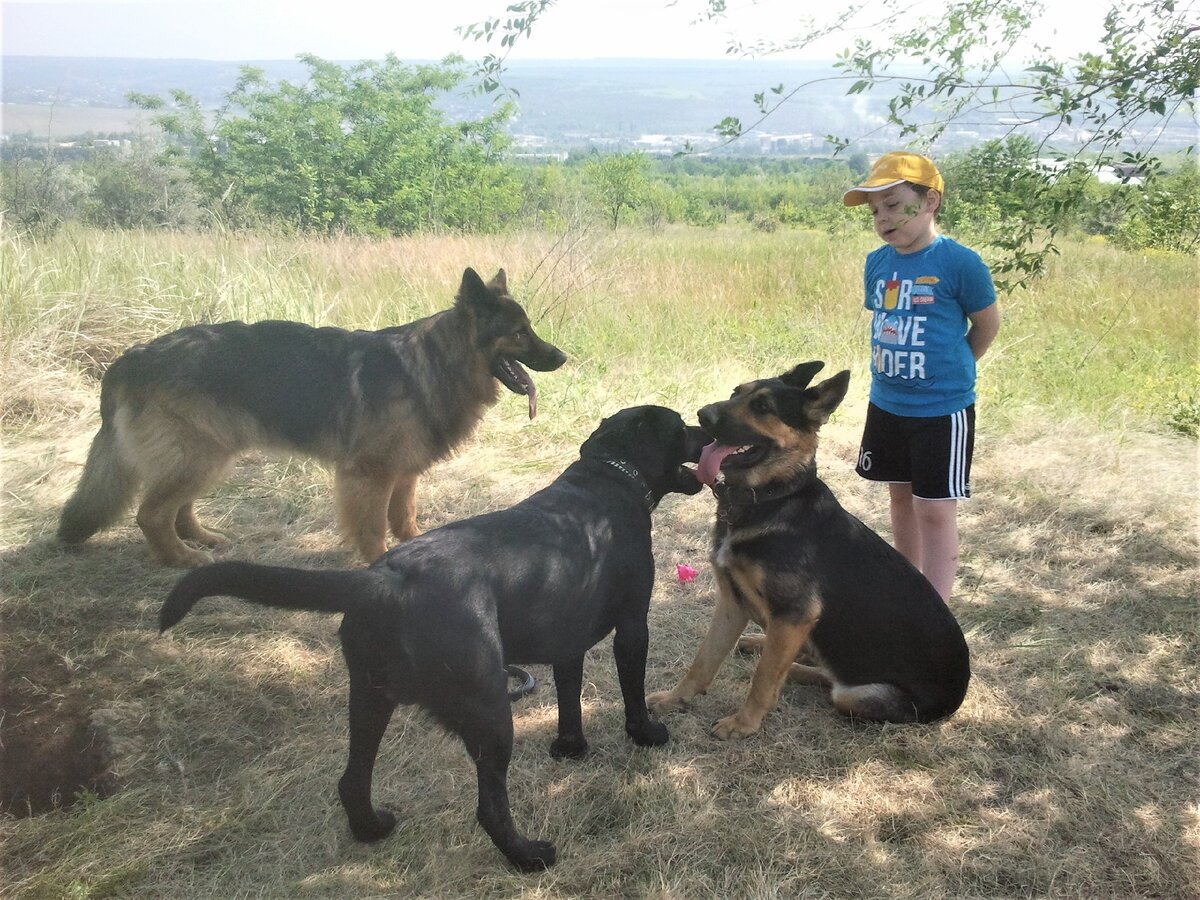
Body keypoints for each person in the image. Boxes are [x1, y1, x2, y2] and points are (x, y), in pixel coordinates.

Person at [843, 151, 1001, 602]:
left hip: (941, 411)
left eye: (893, 204)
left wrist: (955, 372)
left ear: (929, 201)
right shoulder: (877, 264)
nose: (882, 218)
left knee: (933, 509)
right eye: (875, 211)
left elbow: (986, 325)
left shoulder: (960, 263)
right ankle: (906, 592)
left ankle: (934, 612)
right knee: (900, 500)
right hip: (888, 404)